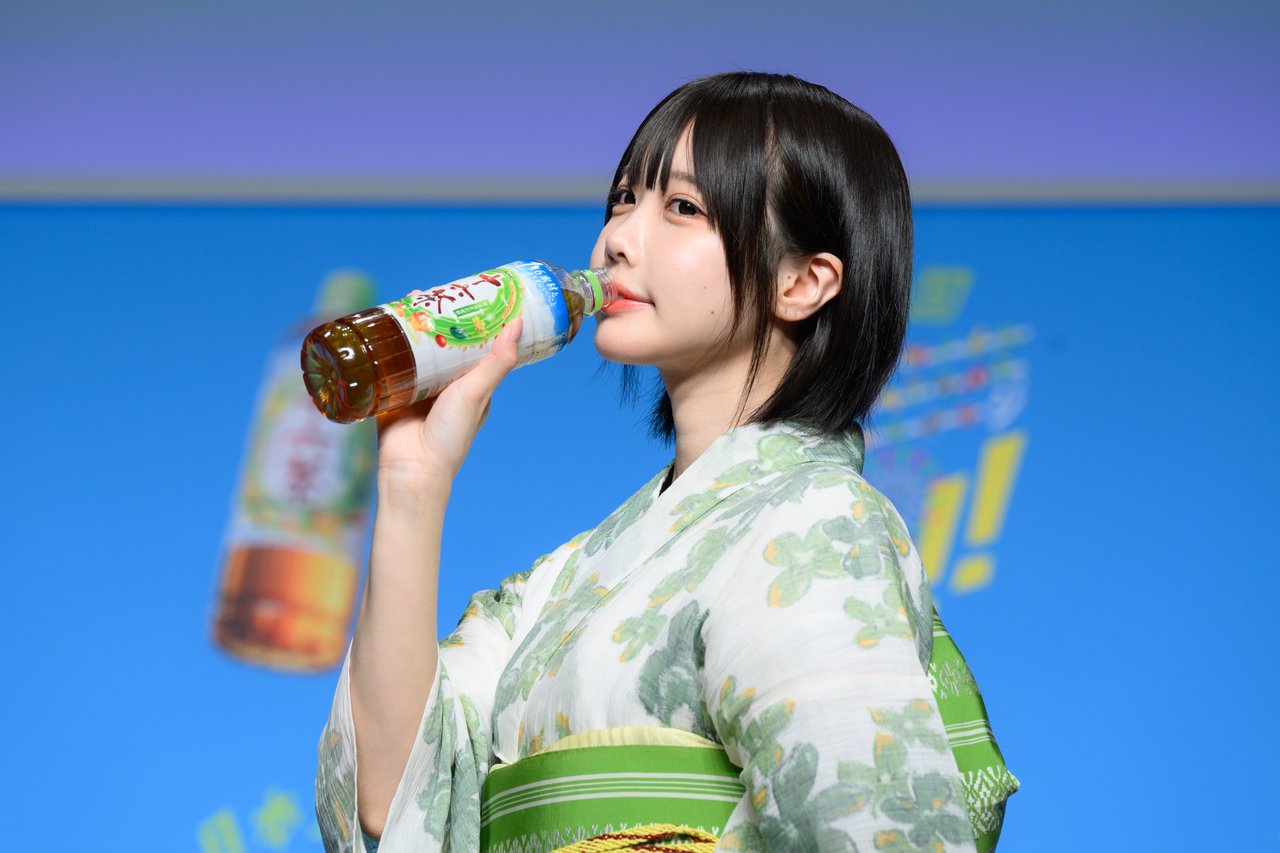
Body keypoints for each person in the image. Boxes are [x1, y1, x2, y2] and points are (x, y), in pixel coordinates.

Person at [316, 71, 1017, 853]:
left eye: (682, 207)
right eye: (623, 198)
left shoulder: (816, 525)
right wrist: (412, 483)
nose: (617, 239)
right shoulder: (567, 578)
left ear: (802, 281)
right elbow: (391, 798)